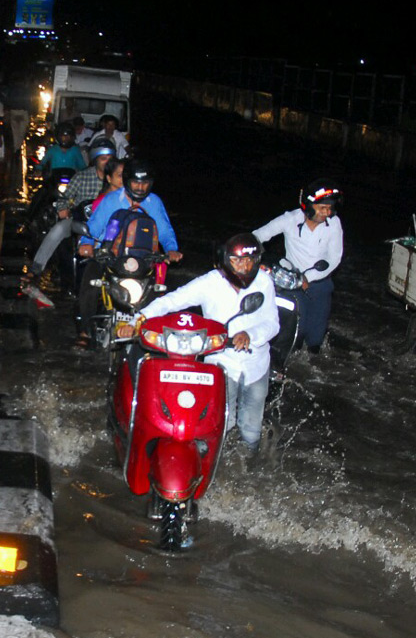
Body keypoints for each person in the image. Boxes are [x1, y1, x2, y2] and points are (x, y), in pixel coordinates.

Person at [117, 233, 280, 454]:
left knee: (251, 429)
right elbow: (171, 301)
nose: (245, 266)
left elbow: (272, 322)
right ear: (226, 259)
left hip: (257, 362)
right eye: (238, 260)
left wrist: (250, 334)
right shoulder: (210, 282)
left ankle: (249, 470)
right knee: (220, 422)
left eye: (251, 260)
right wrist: (137, 321)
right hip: (222, 362)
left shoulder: (264, 281)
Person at [74, 159, 183, 348]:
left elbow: (165, 231)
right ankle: (85, 329)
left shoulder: (154, 202)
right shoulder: (111, 200)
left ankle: (150, 334)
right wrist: (87, 244)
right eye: (135, 182)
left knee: (158, 292)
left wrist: (172, 250)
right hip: (110, 255)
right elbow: (94, 227)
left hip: (142, 258)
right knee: (90, 282)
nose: (140, 187)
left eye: (145, 183)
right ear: (126, 180)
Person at [253, 180, 343, 355]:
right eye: (322, 207)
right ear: (308, 206)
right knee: (293, 331)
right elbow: (257, 236)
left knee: (316, 337)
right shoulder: (290, 219)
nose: (327, 212)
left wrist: (310, 277)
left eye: (330, 208)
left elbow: (334, 258)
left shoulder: (334, 223)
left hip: (320, 283)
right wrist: (253, 258)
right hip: (291, 282)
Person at [23, 138, 117, 283]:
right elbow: (64, 197)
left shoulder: (119, 180)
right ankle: (36, 268)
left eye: (110, 158)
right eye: (103, 158)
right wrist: (63, 208)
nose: (107, 162)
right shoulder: (82, 177)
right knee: (57, 230)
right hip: (81, 221)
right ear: (95, 159)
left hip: (108, 224)